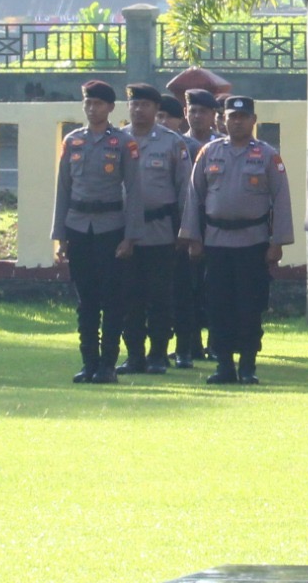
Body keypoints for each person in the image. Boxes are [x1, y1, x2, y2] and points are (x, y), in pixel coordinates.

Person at [181, 94, 292, 383]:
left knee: (250, 305)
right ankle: (224, 366)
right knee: (218, 306)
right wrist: (192, 237)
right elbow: (194, 196)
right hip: (216, 242)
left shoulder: (268, 155)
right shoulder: (209, 152)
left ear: (253, 120)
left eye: (243, 117)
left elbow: (281, 199)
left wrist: (277, 241)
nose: (237, 121)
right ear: (224, 119)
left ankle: (247, 365)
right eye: (232, 116)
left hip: (253, 243)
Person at [51, 80, 136, 383]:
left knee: (112, 299)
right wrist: (59, 234)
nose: (91, 108)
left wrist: (130, 236)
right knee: (86, 300)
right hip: (78, 226)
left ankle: (107, 365)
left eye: (98, 103)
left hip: (111, 227)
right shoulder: (72, 141)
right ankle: (88, 362)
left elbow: (134, 191)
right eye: (88, 103)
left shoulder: (123, 143)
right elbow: (63, 189)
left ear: (110, 108)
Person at [117, 82, 190, 373]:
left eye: (145, 105)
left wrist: (185, 230)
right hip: (124, 233)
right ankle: (134, 355)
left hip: (161, 230)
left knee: (160, 297)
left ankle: (158, 354)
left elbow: (185, 190)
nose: (138, 109)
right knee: (129, 297)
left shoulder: (172, 142)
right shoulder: (119, 140)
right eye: (134, 104)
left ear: (156, 109)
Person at [172, 87, 222, 366]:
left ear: (214, 115)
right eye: (192, 110)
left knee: (215, 288)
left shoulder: (224, 144)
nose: (197, 115)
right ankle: (188, 345)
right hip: (184, 228)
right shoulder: (176, 144)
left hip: (216, 226)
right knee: (185, 289)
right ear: (185, 113)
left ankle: (217, 343)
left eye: (203, 111)